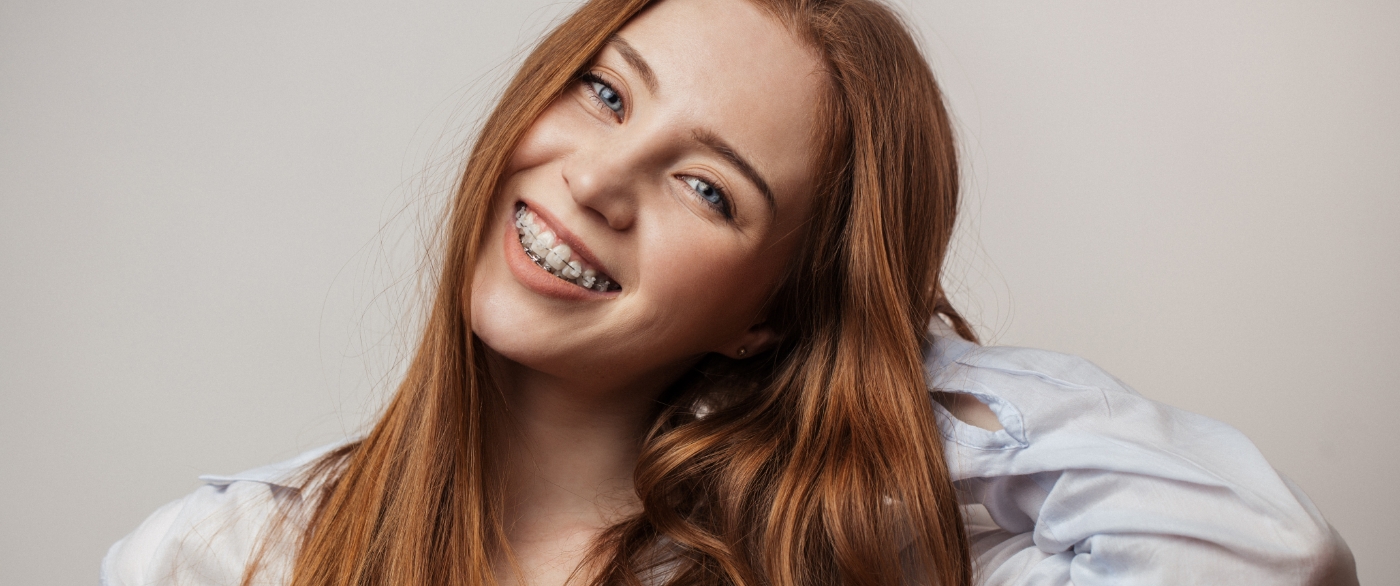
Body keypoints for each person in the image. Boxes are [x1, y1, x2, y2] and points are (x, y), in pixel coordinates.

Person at [100, 0, 1358, 584]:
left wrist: (861, 354)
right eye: (604, 91)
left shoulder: (850, 571)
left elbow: (1264, 553)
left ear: (769, 306)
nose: (595, 179)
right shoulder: (225, 560)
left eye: (708, 190)